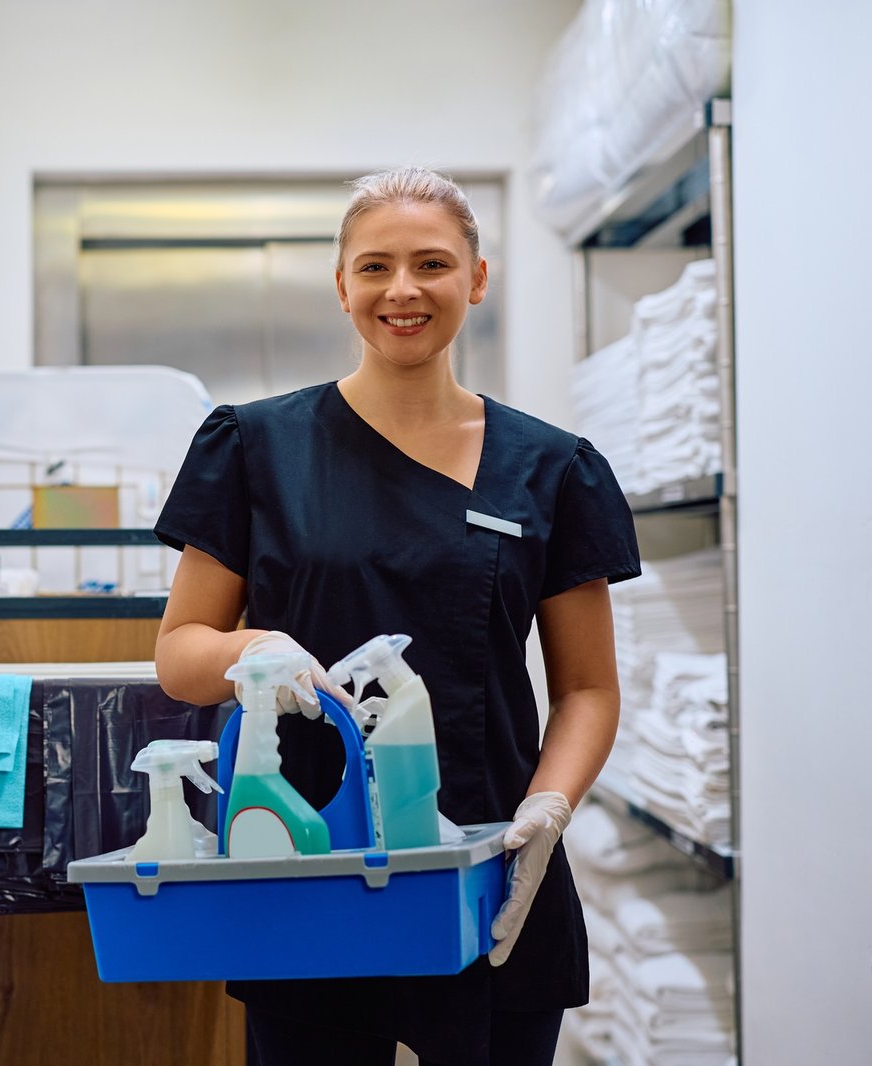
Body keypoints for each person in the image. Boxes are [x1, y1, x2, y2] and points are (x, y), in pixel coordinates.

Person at [152, 166, 640, 1066]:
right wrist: (253, 649)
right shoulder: (255, 448)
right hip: (307, 867)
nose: (403, 290)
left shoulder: (553, 468)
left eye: (432, 264)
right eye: (375, 267)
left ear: (476, 280)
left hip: (490, 861)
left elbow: (586, 688)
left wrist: (548, 808)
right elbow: (179, 654)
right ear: (342, 287)